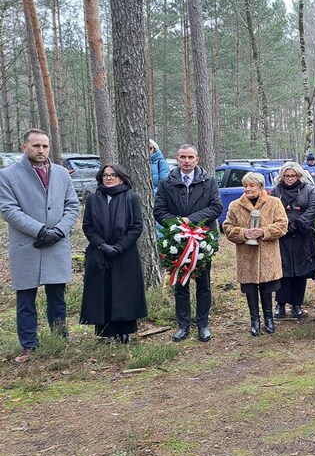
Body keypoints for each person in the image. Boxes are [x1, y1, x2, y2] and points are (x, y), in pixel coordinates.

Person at [0, 129, 79, 364]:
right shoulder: (8, 175)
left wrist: (59, 231)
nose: (41, 150)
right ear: (24, 147)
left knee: (57, 298)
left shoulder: (62, 173)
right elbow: (9, 209)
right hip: (28, 245)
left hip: (56, 244)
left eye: (45, 146)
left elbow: (72, 205)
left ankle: (60, 341)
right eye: (36, 146)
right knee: (26, 300)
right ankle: (29, 346)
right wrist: (40, 230)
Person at [154, 143, 222, 342]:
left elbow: (216, 207)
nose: (186, 161)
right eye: (182, 157)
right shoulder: (167, 182)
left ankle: (203, 324)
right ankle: (183, 325)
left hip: (202, 239)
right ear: (177, 159)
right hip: (177, 241)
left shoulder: (208, 181)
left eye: (190, 157)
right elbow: (159, 210)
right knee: (180, 285)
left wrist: (191, 220)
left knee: (204, 284)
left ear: (197, 160)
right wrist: (177, 225)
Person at [80, 164, 147, 343]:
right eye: (105, 175)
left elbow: (137, 226)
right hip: (99, 253)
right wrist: (101, 245)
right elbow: (87, 226)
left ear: (122, 178)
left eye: (113, 175)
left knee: (124, 292)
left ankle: (125, 330)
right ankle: (105, 332)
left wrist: (119, 246)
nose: (109, 178)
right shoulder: (93, 199)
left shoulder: (131, 198)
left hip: (125, 253)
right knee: (103, 291)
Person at [222, 172, 288, 336]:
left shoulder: (274, 203)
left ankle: (269, 319)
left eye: (252, 186)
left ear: (260, 187)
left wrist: (264, 231)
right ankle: (255, 320)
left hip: (268, 253)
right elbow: (227, 228)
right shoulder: (235, 205)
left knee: (267, 287)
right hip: (246, 255)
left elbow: (282, 225)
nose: (248, 189)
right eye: (245, 186)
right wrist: (244, 233)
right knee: (250, 288)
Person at [271, 162, 315, 317]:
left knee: (300, 271)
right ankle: (280, 304)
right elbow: (271, 208)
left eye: (292, 175)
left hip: (302, 235)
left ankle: (297, 304)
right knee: (283, 271)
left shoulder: (308, 189)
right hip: (282, 236)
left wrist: (298, 224)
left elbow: (314, 207)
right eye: (286, 176)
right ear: (282, 176)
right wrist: (283, 225)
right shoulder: (276, 190)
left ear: (298, 175)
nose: (290, 178)